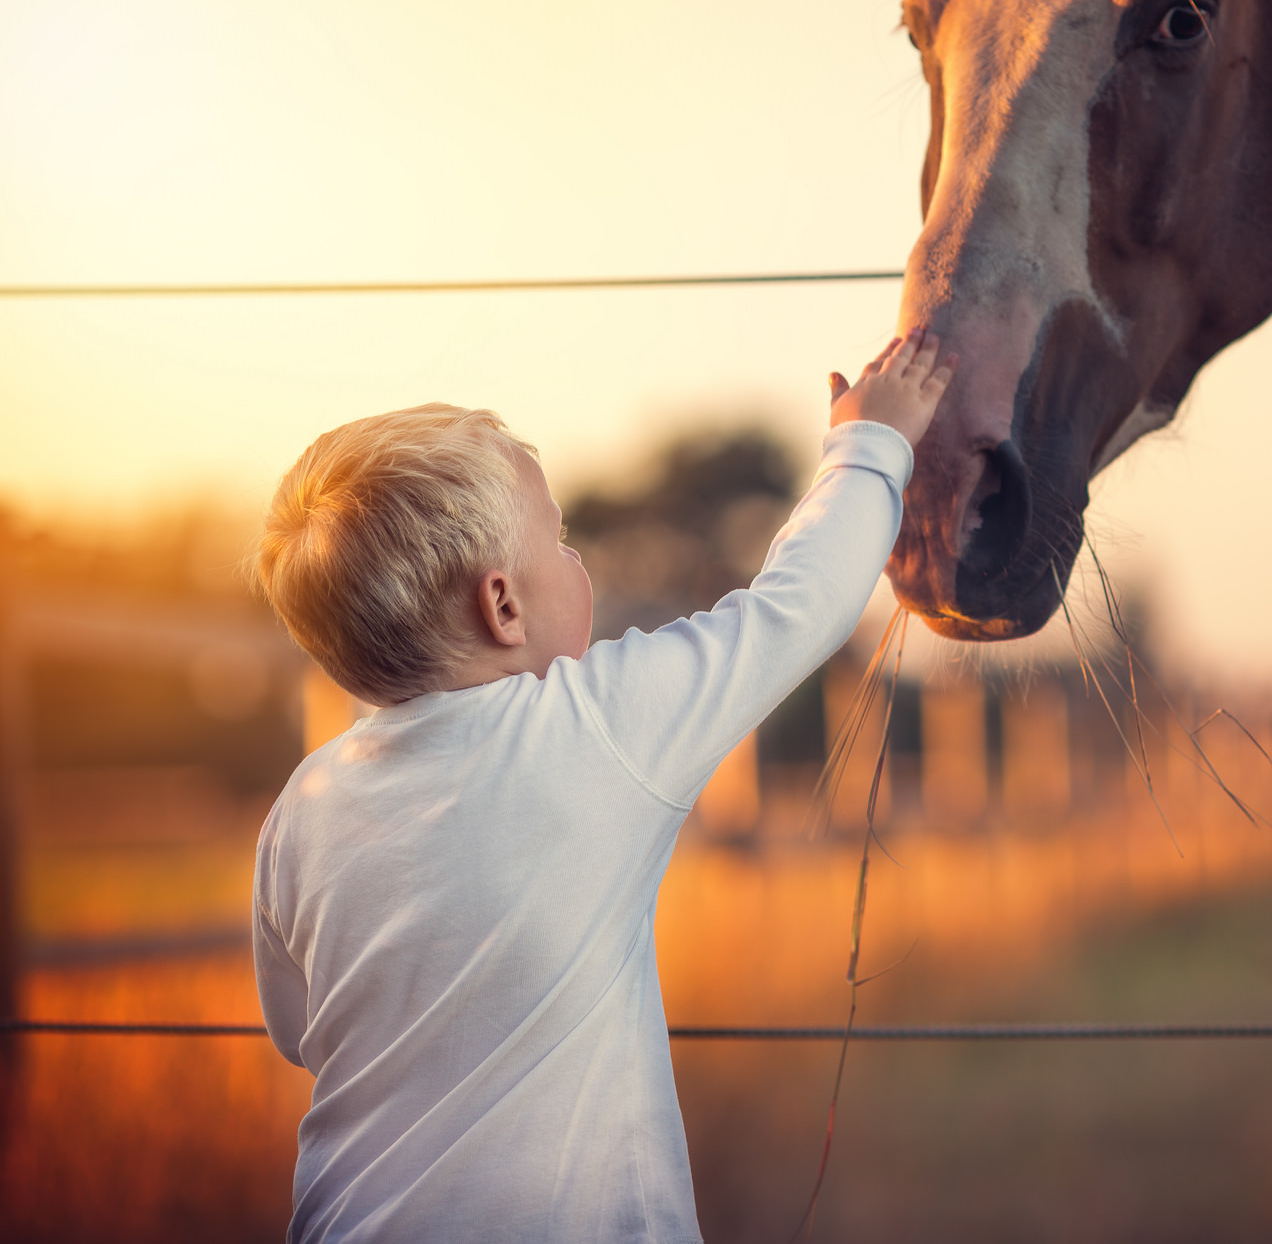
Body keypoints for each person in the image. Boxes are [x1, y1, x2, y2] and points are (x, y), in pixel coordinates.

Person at [249, 332, 954, 1242]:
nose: (580, 562)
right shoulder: (593, 727)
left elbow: (297, 1030)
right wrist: (871, 443)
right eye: (561, 539)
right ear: (501, 605)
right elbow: (796, 607)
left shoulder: (301, 807)